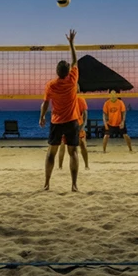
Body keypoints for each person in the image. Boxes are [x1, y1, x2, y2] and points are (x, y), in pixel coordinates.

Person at [39, 29, 80, 191]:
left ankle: (47, 183)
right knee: (73, 152)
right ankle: (74, 185)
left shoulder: (51, 85)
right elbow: (75, 60)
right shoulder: (72, 80)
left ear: (57, 72)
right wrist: (71, 43)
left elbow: (45, 104)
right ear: (68, 71)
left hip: (57, 121)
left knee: (51, 152)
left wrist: (41, 117)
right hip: (71, 121)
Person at [57, 86, 89, 169]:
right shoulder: (65, 100)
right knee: (63, 145)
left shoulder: (80, 100)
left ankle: (86, 165)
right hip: (67, 126)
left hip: (78, 126)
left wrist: (82, 126)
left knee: (82, 145)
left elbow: (85, 115)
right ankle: (60, 166)